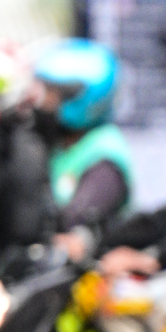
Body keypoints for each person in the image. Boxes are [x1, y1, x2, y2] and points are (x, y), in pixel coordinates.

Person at [30, 39, 132, 258]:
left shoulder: (105, 154)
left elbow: (76, 219)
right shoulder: (61, 144)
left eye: (52, 93)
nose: (44, 103)